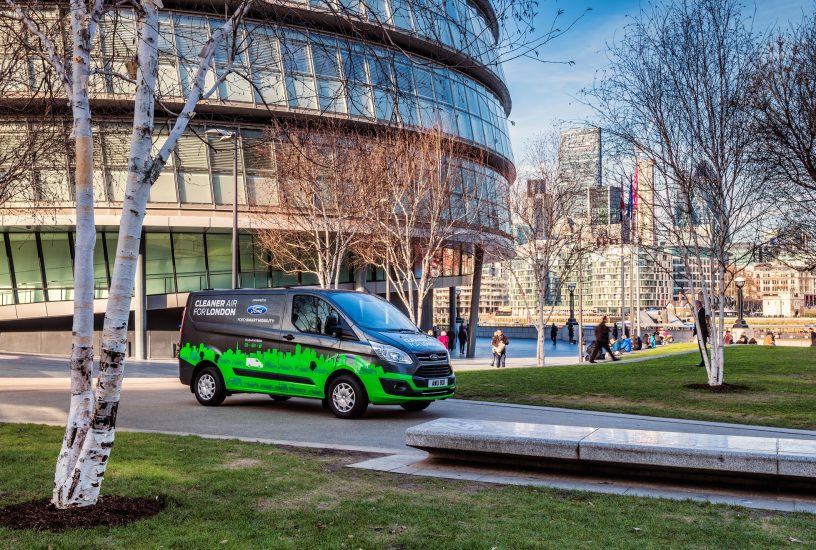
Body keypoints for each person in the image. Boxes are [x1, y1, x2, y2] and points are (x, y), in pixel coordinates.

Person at [692, 300, 710, 367]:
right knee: (701, 347)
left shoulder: (702, 311)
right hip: (700, 331)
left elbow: (702, 322)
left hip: (702, 332)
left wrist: (700, 329)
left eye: (695, 305)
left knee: (702, 346)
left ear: (698, 305)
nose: (694, 306)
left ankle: (704, 361)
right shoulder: (698, 311)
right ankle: (703, 360)